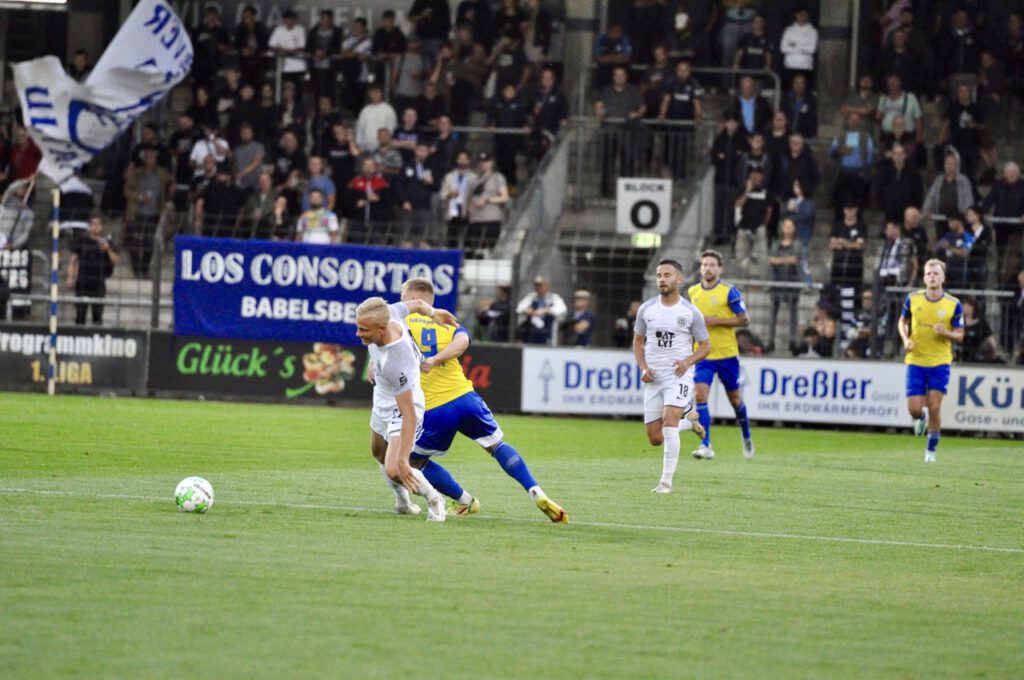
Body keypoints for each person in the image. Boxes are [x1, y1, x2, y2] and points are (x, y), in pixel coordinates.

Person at [400, 278, 569, 522]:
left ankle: (465, 500)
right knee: (496, 445)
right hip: (467, 398)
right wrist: (437, 359)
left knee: (413, 461)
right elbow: (463, 341)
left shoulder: (401, 321)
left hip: (436, 408)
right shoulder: (446, 319)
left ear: (410, 299)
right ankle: (535, 490)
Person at [356, 296, 454, 521]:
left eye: (363, 330)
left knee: (395, 468)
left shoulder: (395, 360)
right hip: (383, 395)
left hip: (405, 404)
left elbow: (408, 414)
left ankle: (434, 499)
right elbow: (418, 304)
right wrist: (434, 312)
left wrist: (403, 459)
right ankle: (403, 502)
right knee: (378, 453)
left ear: (381, 329)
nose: (358, 334)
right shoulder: (390, 311)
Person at [634, 259, 710, 493]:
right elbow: (638, 342)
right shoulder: (647, 309)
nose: (662, 280)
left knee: (669, 422)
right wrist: (644, 367)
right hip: (654, 377)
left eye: (667, 275)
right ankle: (690, 423)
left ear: (679, 279)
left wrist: (687, 362)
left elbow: (705, 346)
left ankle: (666, 483)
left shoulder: (689, 312)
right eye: (659, 276)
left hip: (679, 375)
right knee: (655, 438)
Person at [687, 250, 754, 461]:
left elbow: (744, 321)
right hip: (703, 354)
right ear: (701, 267)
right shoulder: (692, 292)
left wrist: (716, 321)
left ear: (719, 268)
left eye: (712, 265)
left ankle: (746, 435)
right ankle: (705, 444)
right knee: (700, 396)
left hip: (726, 355)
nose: (708, 268)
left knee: (735, 400)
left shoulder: (729, 292)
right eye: (704, 264)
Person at [898, 259, 964, 462]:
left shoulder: (953, 304)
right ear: (924, 277)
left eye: (936, 273)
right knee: (914, 408)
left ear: (943, 277)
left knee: (935, 406)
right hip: (916, 360)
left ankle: (931, 451)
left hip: (940, 361)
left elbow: (960, 335)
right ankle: (920, 418)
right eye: (928, 273)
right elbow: (903, 321)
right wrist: (906, 339)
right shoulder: (913, 299)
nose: (932, 276)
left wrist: (946, 332)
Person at [123, 148, 171, 277]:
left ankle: (144, 268)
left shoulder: (161, 174)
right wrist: (139, 197)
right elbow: (127, 190)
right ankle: (136, 268)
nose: (151, 160)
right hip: (137, 213)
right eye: (148, 158)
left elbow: (170, 182)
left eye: (153, 158)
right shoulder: (137, 174)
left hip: (154, 213)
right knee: (134, 243)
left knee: (149, 243)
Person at [66, 215, 119, 325]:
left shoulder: (107, 242)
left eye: (98, 224)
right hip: (82, 281)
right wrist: (71, 276)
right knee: (80, 314)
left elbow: (116, 260)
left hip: (99, 283)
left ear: (102, 227)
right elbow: (73, 259)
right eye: (93, 224)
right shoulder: (82, 240)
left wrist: (107, 249)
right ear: (90, 226)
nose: (95, 227)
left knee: (97, 315)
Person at [768, 217, 804, 352]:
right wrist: (786, 260)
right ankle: (770, 340)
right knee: (773, 312)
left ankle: (792, 340)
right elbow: (772, 259)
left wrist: (780, 260)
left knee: (793, 312)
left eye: (790, 226)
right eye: (786, 226)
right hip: (777, 280)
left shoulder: (797, 244)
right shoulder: (776, 243)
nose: (788, 229)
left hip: (792, 280)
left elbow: (795, 259)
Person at [467, 152, 509, 255]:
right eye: (481, 162)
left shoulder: (497, 177)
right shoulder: (475, 179)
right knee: (472, 247)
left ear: (491, 163)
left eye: (486, 162)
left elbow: (504, 197)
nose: (483, 164)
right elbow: (470, 198)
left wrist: (487, 200)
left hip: (491, 218)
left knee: (488, 247)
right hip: (476, 218)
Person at [516, 276, 566, 345]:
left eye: (540, 286)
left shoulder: (554, 298)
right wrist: (528, 311)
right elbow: (519, 308)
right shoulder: (531, 297)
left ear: (547, 287)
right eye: (536, 286)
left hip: (548, 331)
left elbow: (562, 310)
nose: (537, 288)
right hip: (531, 332)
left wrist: (547, 311)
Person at [268, 10, 307, 96]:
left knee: (297, 92)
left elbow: (301, 47)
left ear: (295, 20)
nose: (290, 22)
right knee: (283, 92)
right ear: (284, 20)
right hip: (283, 68)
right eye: (287, 20)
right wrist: (279, 50)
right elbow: (272, 45)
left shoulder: (300, 30)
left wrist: (286, 52)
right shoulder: (278, 30)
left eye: (292, 19)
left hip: (298, 68)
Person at [780, 7, 818, 90]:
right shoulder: (789, 30)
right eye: (800, 15)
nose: (802, 17)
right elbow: (783, 48)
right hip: (789, 66)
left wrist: (794, 45)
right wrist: (803, 46)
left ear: (808, 16)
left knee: (804, 91)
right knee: (788, 91)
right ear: (796, 15)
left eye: (804, 15)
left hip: (806, 67)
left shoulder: (813, 31)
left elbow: (811, 50)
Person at [960, 297, 999, 363]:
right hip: (963, 351)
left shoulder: (981, 323)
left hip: (978, 352)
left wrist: (994, 349)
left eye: (966, 306)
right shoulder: (960, 321)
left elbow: (990, 337)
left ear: (972, 307)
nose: (964, 308)